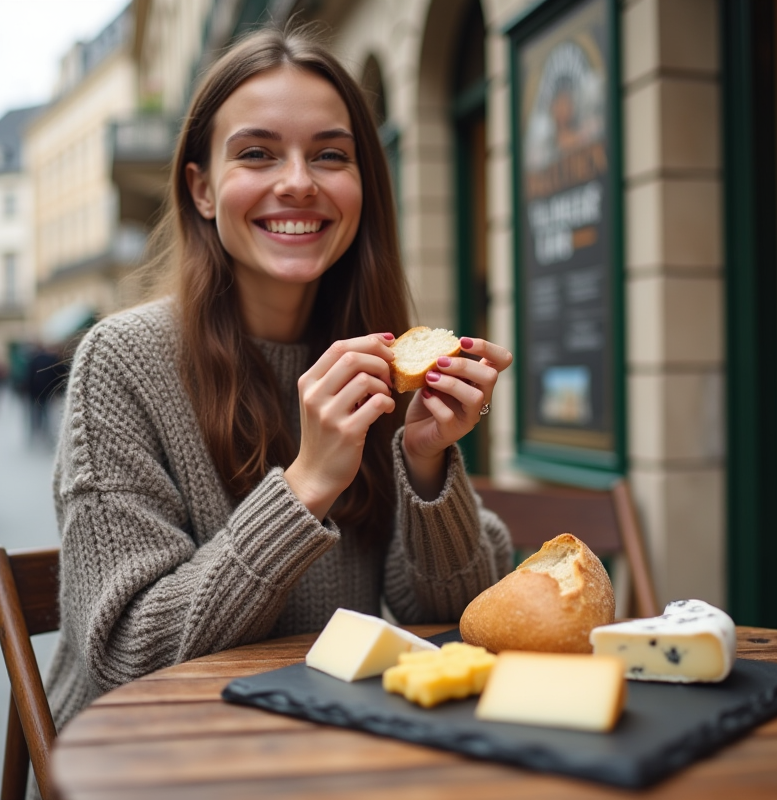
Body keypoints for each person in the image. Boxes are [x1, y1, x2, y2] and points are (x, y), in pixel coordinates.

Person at [43, 27, 515, 750]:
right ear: (201, 188)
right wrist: (306, 485)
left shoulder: (379, 358)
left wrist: (425, 465)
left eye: (331, 154)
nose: (299, 181)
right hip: (151, 760)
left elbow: (459, 619)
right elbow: (125, 654)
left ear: (364, 189)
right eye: (258, 153)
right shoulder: (120, 361)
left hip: (329, 742)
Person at [24, 342, 61, 443]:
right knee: (46, 413)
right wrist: (56, 392)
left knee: (35, 414)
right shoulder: (52, 360)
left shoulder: (34, 360)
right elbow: (56, 377)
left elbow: (29, 377)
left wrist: (29, 392)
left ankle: (34, 434)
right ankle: (46, 433)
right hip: (48, 392)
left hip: (35, 392)